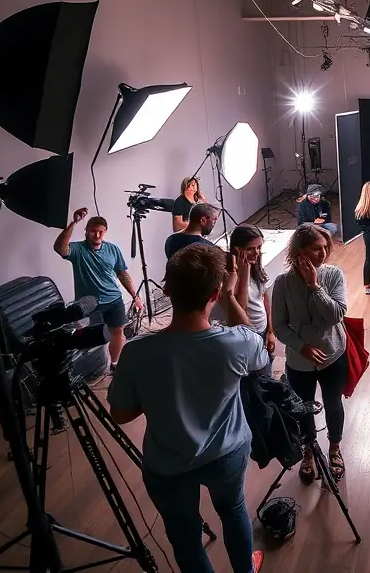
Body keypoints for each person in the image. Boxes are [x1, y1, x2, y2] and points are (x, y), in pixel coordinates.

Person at [107, 244, 267, 573]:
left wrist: (157, 394)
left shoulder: (136, 352)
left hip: (167, 464)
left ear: (166, 289)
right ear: (215, 293)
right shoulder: (236, 342)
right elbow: (255, 345)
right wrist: (229, 297)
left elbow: (120, 414)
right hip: (227, 455)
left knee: (185, 537)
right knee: (233, 510)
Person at [271, 224, 349, 482]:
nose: (323, 253)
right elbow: (279, 325)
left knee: (333, 404)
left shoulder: (334, 275)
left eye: (326, 247)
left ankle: (335, 448)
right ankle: (308, 450)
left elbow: (336, 314)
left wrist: (315, 286)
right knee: (303, 408)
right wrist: (301, 346)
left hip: (332, 354)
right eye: (316, 248)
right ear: (298, 251)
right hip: (299, 359)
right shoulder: (282, 283)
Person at [54, 209, 142, 370]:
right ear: (86, 231)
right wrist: (74, 222)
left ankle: (114, 365)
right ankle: (92, 368)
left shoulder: (112, 249)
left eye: (101, 232)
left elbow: (122, 274)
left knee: (117, 332)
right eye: (93, 231)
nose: (97, 235)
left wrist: (135, 296)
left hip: (114, 300)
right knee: (90, 338)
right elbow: (60, 248)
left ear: (105, 232)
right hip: (90, 304)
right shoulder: (78, 250)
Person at [226, 225, 275, 376]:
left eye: (259, 247)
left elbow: (266, 300)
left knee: (267, 374)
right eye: (250, 249)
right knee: (254, 377)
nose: (257, 253)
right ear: (237, 249)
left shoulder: (257, 268)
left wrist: (271, 331)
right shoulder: (230, 275)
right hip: (245, 335)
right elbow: (240, 309)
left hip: (262, 331)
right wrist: (244, 274)